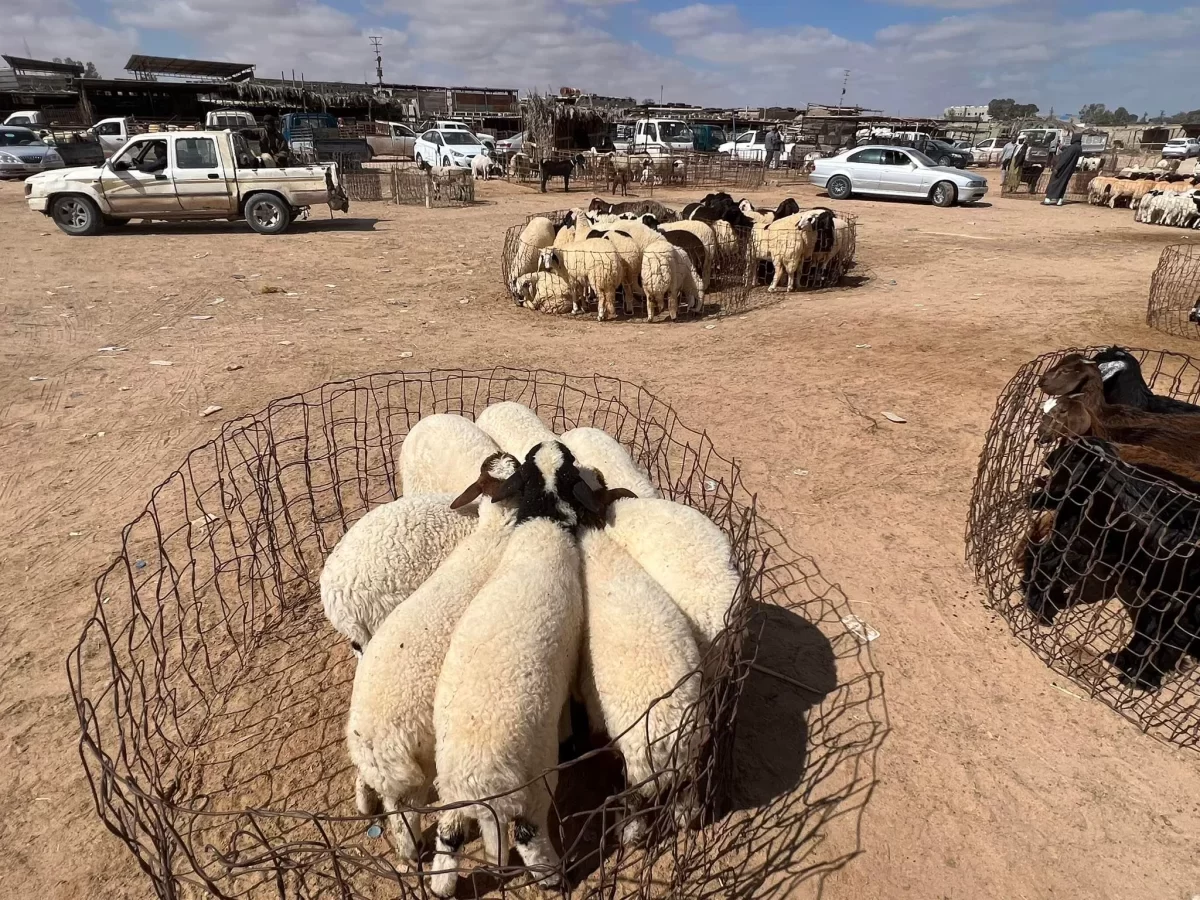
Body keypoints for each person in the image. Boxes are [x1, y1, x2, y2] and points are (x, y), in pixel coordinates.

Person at [1043, 132, 1084, 206]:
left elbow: (1065, 158)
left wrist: (1057, 167)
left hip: (1063, 169)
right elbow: (1069, 151)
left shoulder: (1072, 148)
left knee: (1054, 182)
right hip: (1069, 170)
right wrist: (1062, 147)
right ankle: (1059, 200)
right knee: (1063, 184)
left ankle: (1048, 198)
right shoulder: (1079, 148)